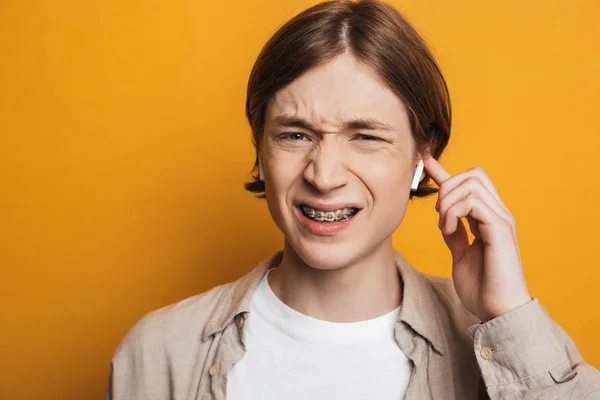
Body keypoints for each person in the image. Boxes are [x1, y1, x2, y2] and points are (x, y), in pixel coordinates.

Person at [105, 1, 600, 399]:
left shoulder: (503, 341)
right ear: (260, 147)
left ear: (420, 158)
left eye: (365, 136)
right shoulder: (157, 354)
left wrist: (508, 313)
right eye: (296, 135)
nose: (324, 175)